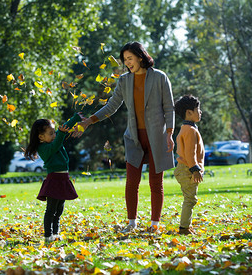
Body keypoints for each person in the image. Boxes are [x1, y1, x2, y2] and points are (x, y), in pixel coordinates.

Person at [73, 42, 175, 233]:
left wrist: (169, 134)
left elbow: (169, 108)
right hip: (134, 137)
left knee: (155, 182)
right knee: (132, 182)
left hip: (157, 136)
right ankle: (132, 223)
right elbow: (111, 107)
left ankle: (154, 224)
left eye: (130, 58)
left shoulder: (160, 77)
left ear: (140, 56)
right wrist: (88, 121)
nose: (127, 63)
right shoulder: (124, 81)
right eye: (125, 60)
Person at [25, 113, 83, 243]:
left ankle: (56, 233)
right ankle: (48, 235)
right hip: (54, 180)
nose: (54, 135)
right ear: (41, 136)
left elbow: (63, 128)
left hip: (63, 179)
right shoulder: (44, 148)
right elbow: (55, 145)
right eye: (51, 133)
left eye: (54, 132)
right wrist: (61, 134)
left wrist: (76, 118)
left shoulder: (53, 139)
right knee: (51, 210)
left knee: (59, 209)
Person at [173, 95, 204, 235]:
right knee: (190, 199)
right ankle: (184, 228)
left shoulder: (186, 128)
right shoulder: (190, 131)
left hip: (184, 168)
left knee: (190, 198)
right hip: (187, 169)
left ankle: (186, 226)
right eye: (198, 109)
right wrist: (195, 169)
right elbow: (190, 153)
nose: (200, 112)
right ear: (189, 112)